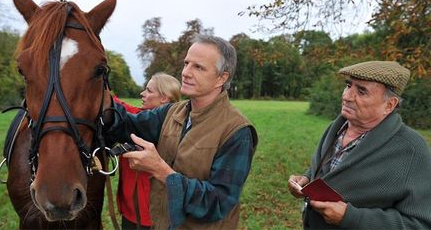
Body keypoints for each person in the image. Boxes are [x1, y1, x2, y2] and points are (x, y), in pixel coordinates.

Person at [104, 34, 258, 229]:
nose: (185, 72)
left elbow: (217, 203)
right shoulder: (171, 112)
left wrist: (162, 172)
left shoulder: (237, 131)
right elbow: (127, 126)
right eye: (186, 63)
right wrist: (97, 94)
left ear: (222, 77)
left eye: (198, 67)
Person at [288, 61, 431, 229]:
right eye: (348, 86)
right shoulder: (337, 127)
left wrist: (351, 218)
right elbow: (333, 170)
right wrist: (307, 178)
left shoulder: (412, 150)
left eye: (361, 91)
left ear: (389, 105)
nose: (347, 96)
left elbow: (419, 224)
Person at [113, 72, 181, 229]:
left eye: (149, 90)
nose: (142, 93)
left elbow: (120, 109)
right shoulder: (147, 117)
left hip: (146, 215)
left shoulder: (156, 124)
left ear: (164, 98)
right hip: (133, 210)